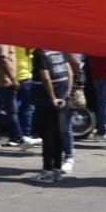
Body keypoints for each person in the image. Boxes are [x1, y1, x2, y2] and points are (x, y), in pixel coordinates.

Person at [30, 48, 73, 183]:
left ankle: (47, 171)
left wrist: (52, 97)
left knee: (48, 135)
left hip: (45, 99)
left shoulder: (40, 53)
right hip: (62, 95)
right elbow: (69, 72)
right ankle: (57, 170)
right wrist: (67, 95)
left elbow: (45, 76)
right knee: (57, 134)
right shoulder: (59, 51)